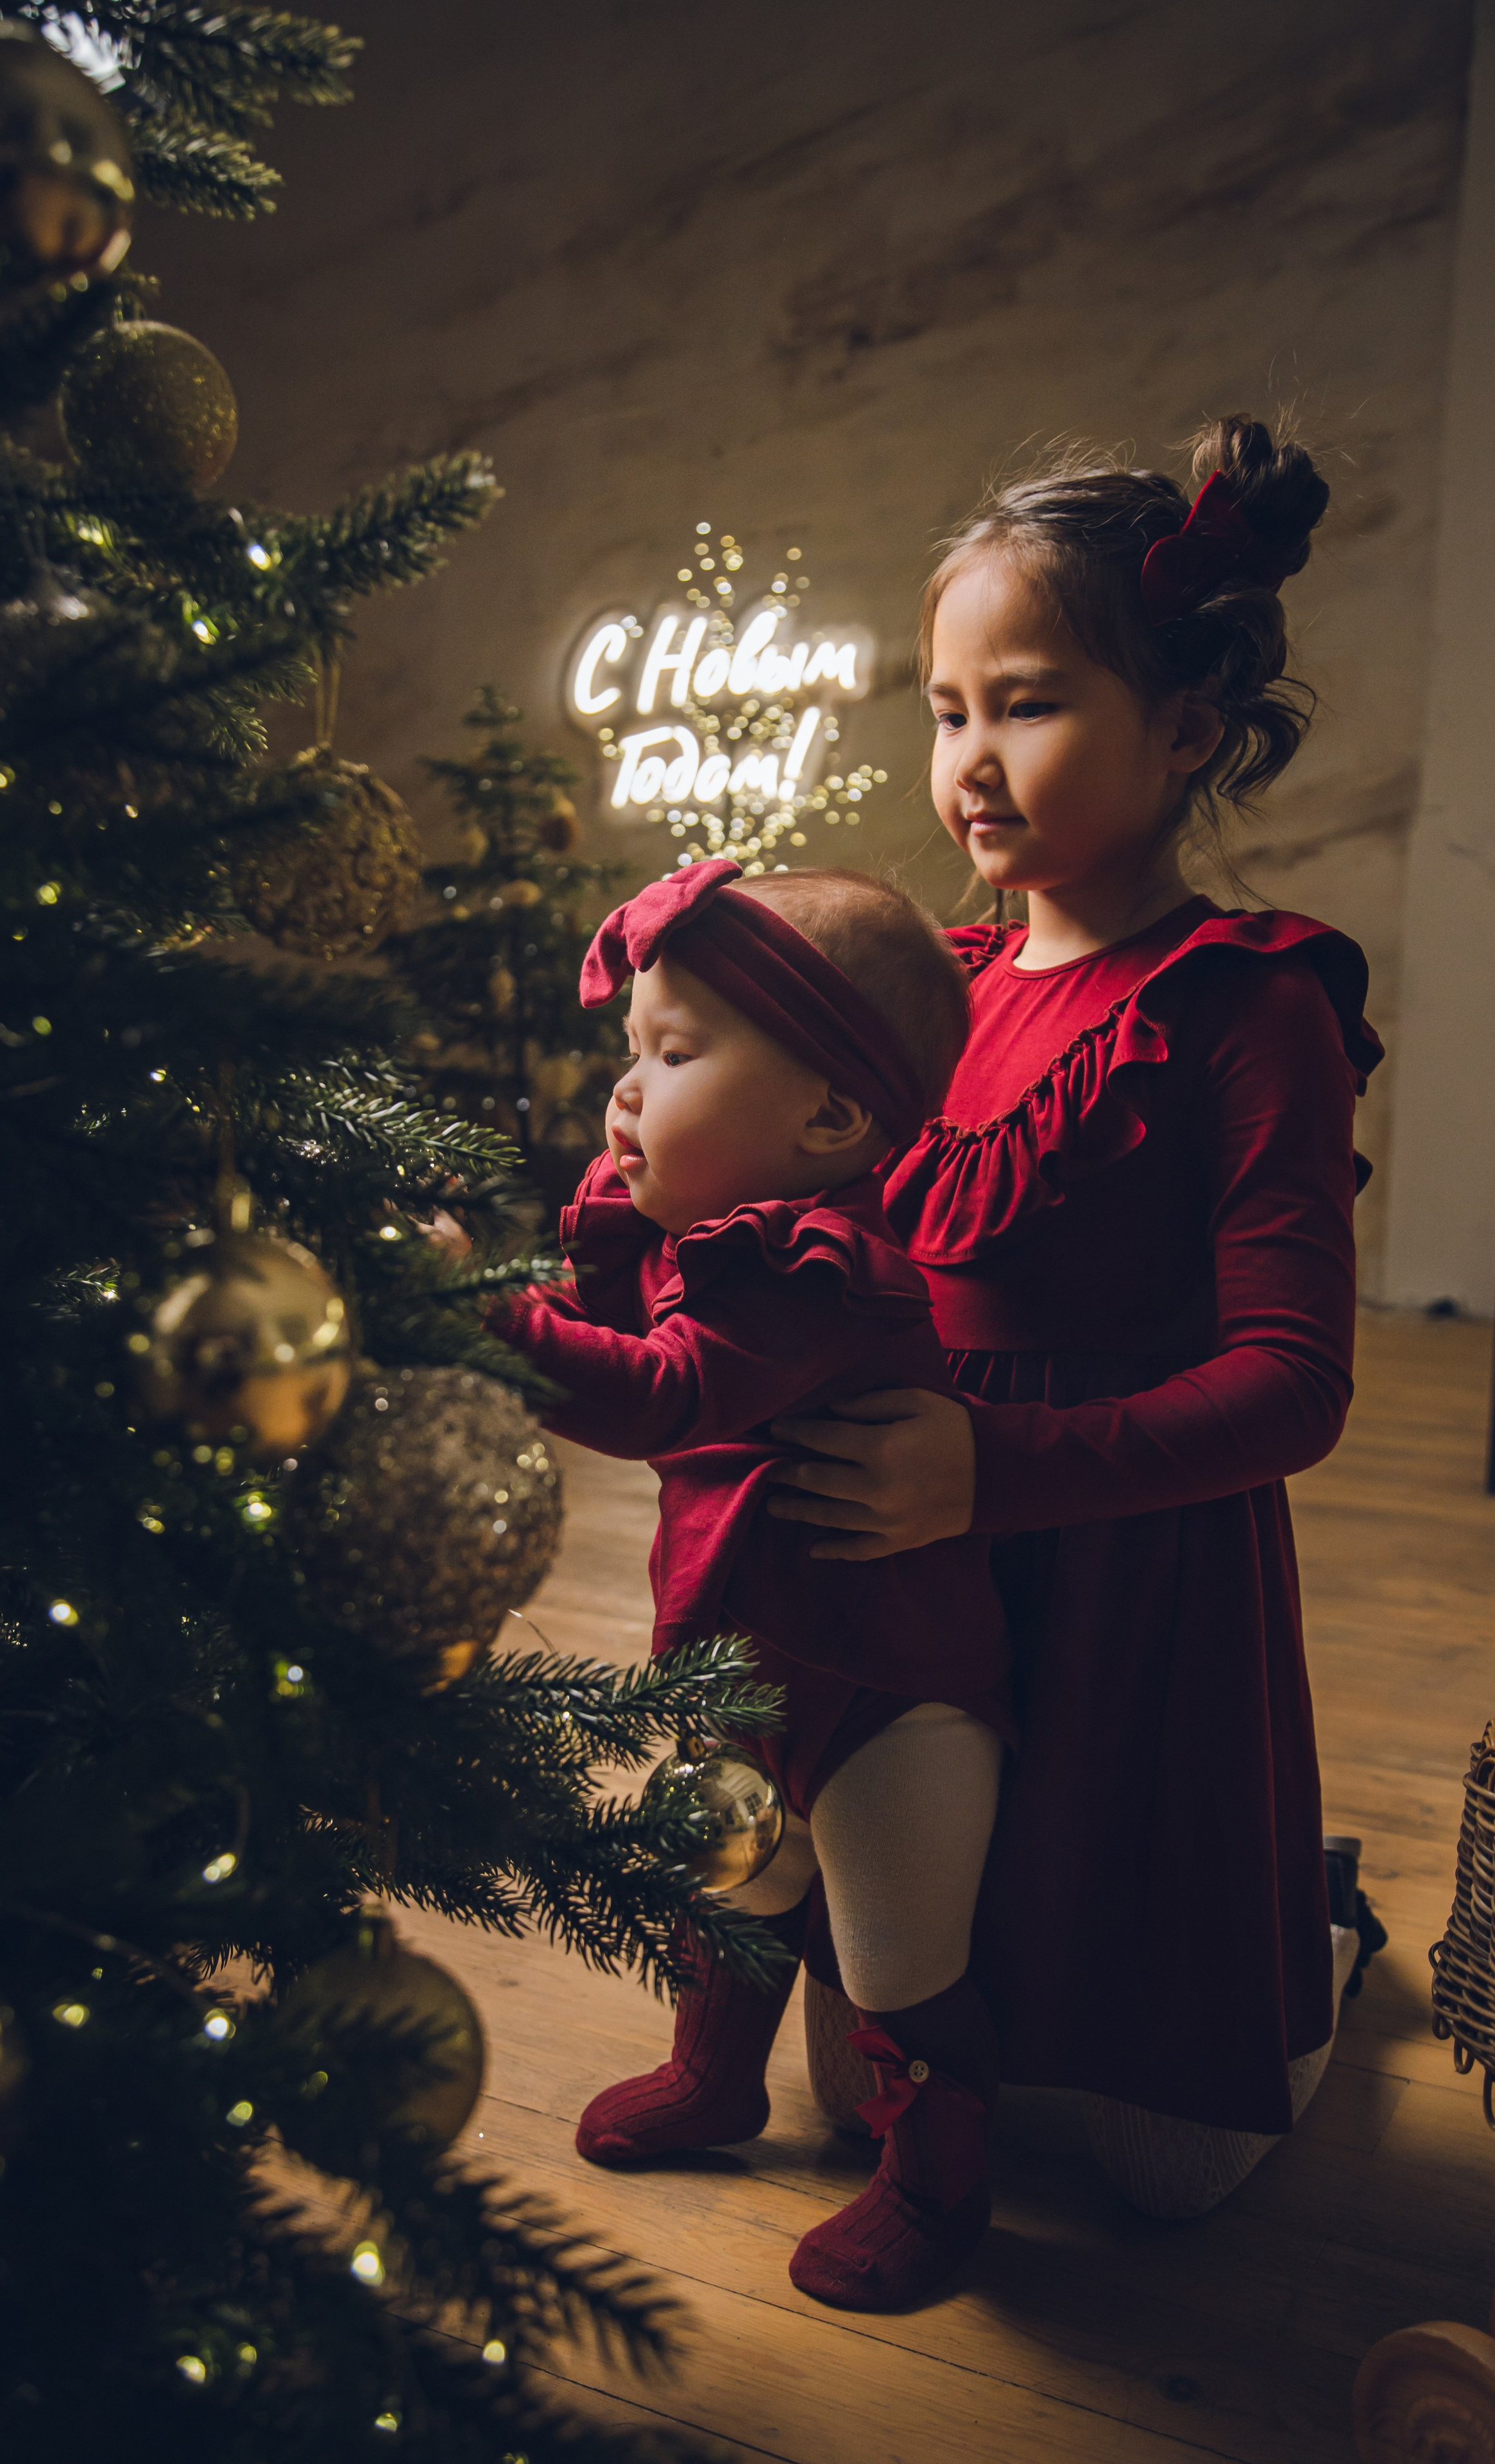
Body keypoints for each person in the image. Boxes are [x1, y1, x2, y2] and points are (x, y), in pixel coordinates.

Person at [767, 416, 1387, 2221]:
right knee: (851, 2066)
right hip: (908, 1566)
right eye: (948, 708)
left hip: (1124, 1585)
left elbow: (1292, 1387)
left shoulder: (1245, 1005)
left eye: (1026, 703)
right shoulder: (927, 984)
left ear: (1185, 731)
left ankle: (1318, 1936)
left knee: (1172, 2157)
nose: (970, 758)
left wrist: (994, 1466)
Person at [489, 859, 1015, 2305]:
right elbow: (615, 1303)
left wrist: (491, 1323)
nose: (623, 1090)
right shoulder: (717, 1238)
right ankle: (712, 2081)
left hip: (885, 1683)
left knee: (899, 1955)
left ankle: (937, 2182)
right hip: (749, 1656)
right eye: (627, 1052)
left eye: (670, 1056)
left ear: (830, 1120)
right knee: (729, 1866)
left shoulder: (818, 1267)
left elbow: (660, 1398)